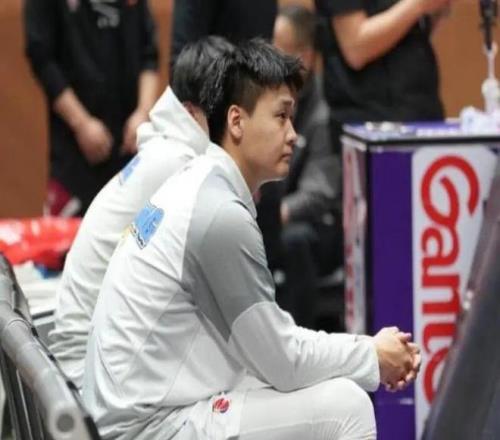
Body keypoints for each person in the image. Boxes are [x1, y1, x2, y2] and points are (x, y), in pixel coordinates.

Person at [83, 39, 420, 440]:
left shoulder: (199, 185)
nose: (293, 134)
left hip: (138, 410)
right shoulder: (219, 216)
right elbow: (283, 361)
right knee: (346, 406)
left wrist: (365, 354)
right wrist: (371, 354)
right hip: (143, 429)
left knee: (310, 386)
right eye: (281, 116)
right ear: (236, 121)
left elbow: (271, 351)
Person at [49, 36, 235, 389]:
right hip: (90, 369)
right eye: (227, 109)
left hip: (87, 356)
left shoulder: (166, 150)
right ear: (193, 112)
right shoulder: (180, 165)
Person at [24, 0, 159, 215]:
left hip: (131, 152)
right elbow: (41, 58)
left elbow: (150, 53)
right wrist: (81, 123)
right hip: (74, 159)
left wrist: (143, 114)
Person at [271, 5, 343, 328]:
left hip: (318, 227)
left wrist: (272, 215)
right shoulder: (269, 102)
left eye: (280, 51)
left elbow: (319, 193)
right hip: (278, 217)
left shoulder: (324, 114)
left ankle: (297, 337)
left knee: (293, 240)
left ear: (306, 57)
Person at [315, 0, 451, 149]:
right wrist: (418, 4)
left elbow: (409, 37)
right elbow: (356, 48)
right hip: (370, 126)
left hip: (421, 112)